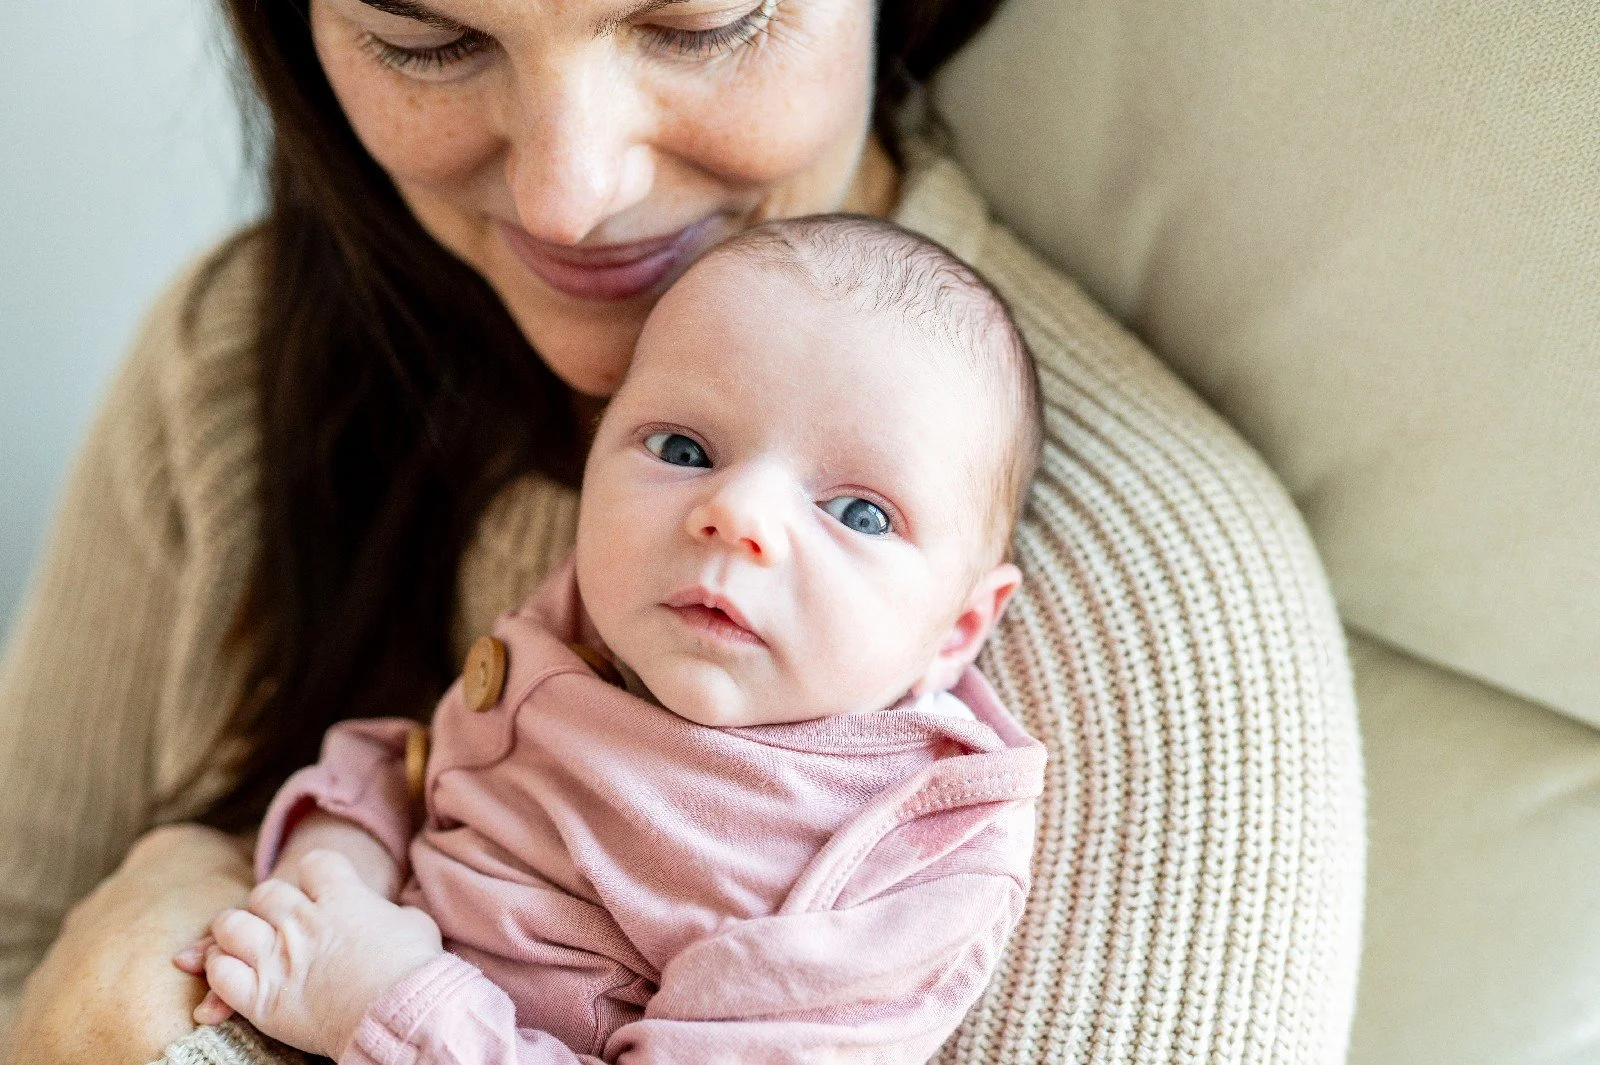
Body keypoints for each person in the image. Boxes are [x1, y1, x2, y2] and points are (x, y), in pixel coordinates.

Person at [0, 0, 1364, 1062]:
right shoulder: (245, 343)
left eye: (698, 21)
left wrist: (152, 1038)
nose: (565, 194)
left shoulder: (1166, 628)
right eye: (427, 37)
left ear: (965, 617)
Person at [174, 215, 1050, 1065]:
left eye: (857, 512)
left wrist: (382, 998)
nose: (735, 515)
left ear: (960, 627)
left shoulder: (897, 857)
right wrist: (334, 864)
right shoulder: (601, 619)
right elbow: (429, 768)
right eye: (682, 448)